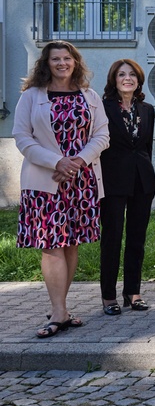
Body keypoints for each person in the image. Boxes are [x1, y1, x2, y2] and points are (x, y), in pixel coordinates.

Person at [13, 41, 109, 338]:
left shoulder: (90, 96)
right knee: (51, 245)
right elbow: (22, 137)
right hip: (46, 182)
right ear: (47, 63)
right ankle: (58, 313)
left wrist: (79, 160)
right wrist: (59, 161)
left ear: (75, 62)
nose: (62, 63)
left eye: (67, 58)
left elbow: (102, 134)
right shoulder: (31, 97)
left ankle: (61, 309)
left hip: (82, 180)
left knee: (71, 244)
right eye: (56, 59)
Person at [98, 59, 155, 315]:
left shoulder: (147, 109)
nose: (127, 78)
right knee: (112, 238)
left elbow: (145, 148)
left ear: (138, 79)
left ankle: (133, 292)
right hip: (112, 180)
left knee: (137, 238)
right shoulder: (102, 108)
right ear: (114, 79)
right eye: (122, 74)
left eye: (132, 74)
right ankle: (108, 296)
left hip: (142, 180)